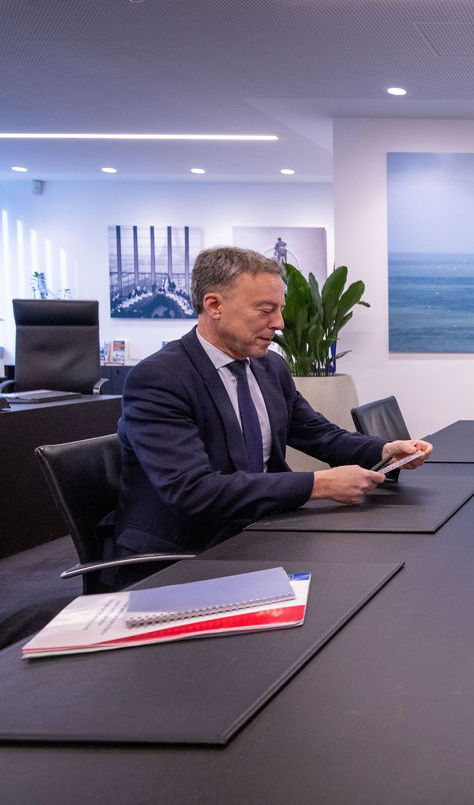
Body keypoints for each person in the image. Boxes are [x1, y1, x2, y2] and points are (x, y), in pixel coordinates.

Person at [102, 246, 432, 587]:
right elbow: (193, 491)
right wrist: (318, 485)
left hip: (260, 532)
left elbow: (320, 434)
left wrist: (385, 451)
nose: (279, 323)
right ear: (213, 305)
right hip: (185, 556)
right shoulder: (159, 378)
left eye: (280, 310)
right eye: (265, 311)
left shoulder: (269, 367)